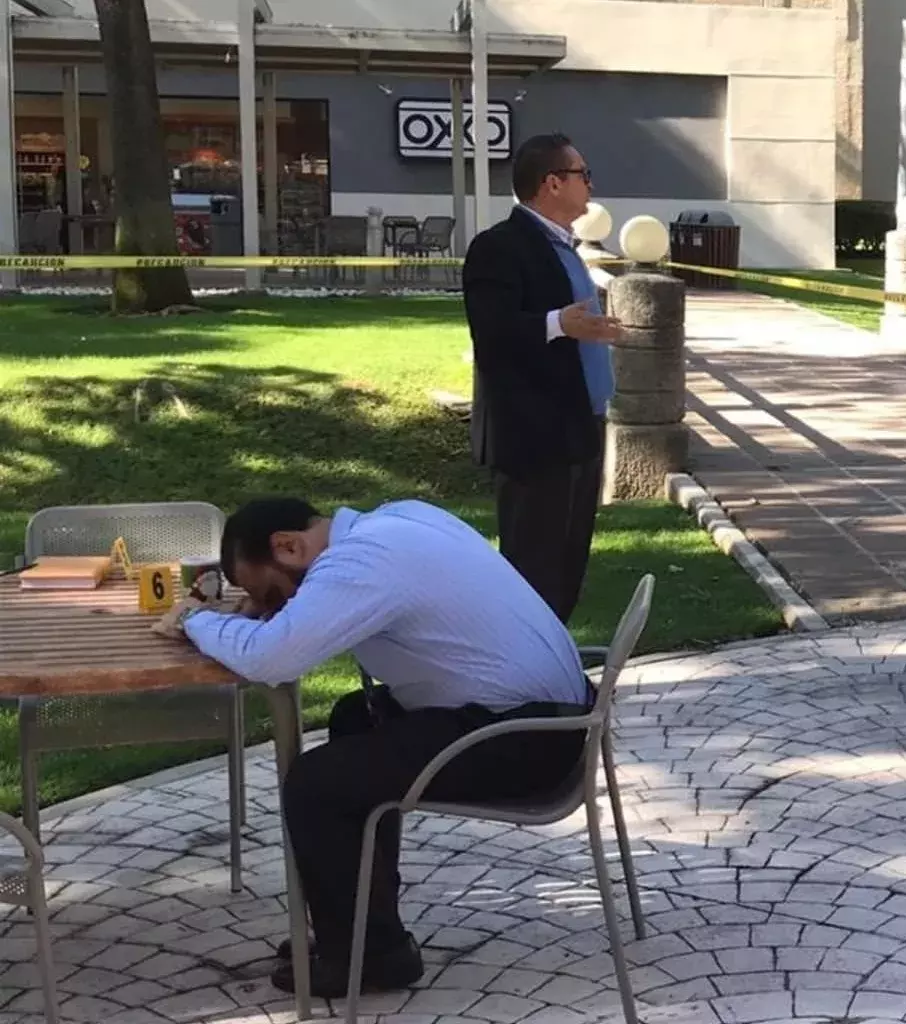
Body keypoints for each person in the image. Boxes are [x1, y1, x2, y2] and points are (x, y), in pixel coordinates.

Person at [151, 498, 593, 996]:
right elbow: (288, 634)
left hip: (525, 742)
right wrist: (259, 612)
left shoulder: (360, 564)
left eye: (271, 594)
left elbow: (274, 658)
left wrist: (194, 620)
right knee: (354, 719)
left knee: (316, 785)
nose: (272, 608)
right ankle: (361, 926)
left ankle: (372, 958)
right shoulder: (399, 519)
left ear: (289, 546)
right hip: (555, 718)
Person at [463, 133, 620, 624]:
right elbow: (492, 333)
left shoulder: (564, 248)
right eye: (583, 173)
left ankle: (555, 672)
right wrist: (558, 324)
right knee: (533, 572)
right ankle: (525, 680)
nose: (590, 184)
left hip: (580, 428)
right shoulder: (499, 247)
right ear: (552, 183)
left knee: (568, 567)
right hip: (535, 439)